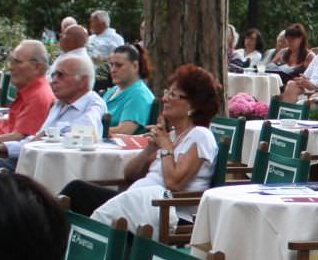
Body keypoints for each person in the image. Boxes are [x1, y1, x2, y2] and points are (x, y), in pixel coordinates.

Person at [68, 66, 221, 232]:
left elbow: (174, 184)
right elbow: (130, 175)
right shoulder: (171, 135)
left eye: (173, 95)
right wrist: (150, 149)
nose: (165, 99)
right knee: (76, 191)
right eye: (166, 92)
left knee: (78, 196)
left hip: (168, 214)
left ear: (192, 105)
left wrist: (165, 148)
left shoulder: (200, 136)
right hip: (140, 206)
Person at [0, 51, 104, 162]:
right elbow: (36, 140)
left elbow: (82, 132)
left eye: (61, 75)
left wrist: (46, 135)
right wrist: (2, 147)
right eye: (53, 75)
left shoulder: (94, 104)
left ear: (83, 81)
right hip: (36, 161)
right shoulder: (59, 103)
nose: (53, 81)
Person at [102, 43, 155, 134]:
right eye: (111, 65)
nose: (113, 70)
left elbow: (124, 131)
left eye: (119, 65)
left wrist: (90, 131)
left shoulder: (138, 95)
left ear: (135, 66)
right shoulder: (112, 91)